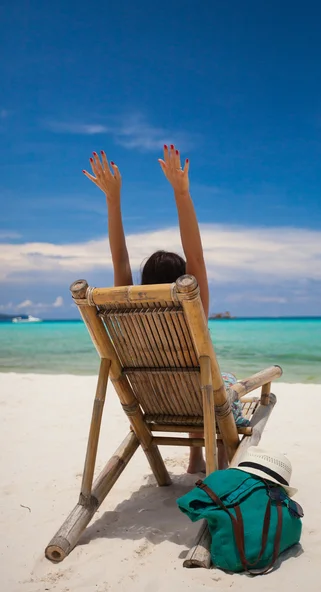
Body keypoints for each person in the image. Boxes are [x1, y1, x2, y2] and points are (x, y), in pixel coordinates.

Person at [83, 144, 221, 473]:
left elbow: (120, 260)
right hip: (200, 401)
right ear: (184, 280)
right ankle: (206, 454)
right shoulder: (193, 306)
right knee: (212, 378)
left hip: (154, 402)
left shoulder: (125, 312)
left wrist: (112, 200)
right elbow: (198, 258)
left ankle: (194, 456)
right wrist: (181, 193)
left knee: (189, 378)